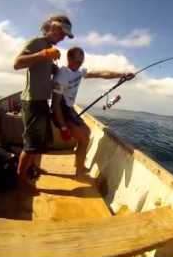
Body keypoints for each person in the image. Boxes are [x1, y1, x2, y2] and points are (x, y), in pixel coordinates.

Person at [51, 47, 135, 176]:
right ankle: (79, 171)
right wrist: (63, 128)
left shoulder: (79, 72)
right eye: (77, 61)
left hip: (69, 108)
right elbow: (55, 104)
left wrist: (122, 74)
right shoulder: (62, 74)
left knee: (87, 132)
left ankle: (77, 164)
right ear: (69, 58)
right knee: (84, 137)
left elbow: (100, 74)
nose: (79, 64)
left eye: (81, 62)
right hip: (60, 109)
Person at [13, 14, 74, 189]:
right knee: (31, 144)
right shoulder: (37, 43)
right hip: (32, 101)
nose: (63, 37)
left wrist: (57, 69)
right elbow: (17, 63)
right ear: (52, 27)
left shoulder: (49, 47)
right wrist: (44, 53)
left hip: (42, 101)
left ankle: (30, 168)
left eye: (66, 35)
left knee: (39, 142)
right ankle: (20, 180)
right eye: (62, 32)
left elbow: (44, 69)